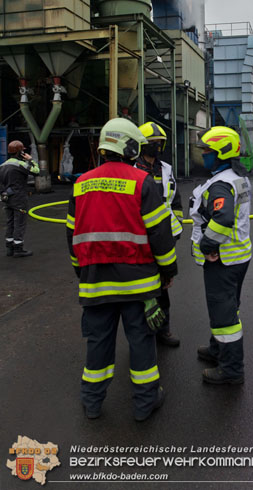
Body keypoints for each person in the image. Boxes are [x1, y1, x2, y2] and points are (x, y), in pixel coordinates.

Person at [66, 118, 177, 420]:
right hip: (138, 284)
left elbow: (72, 235)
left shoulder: (81, 183)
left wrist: (81, 271)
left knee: (98, 344)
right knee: (141, 342)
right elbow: (160, 234)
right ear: (130, 147)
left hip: (95, 283)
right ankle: (145, 404)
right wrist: (168, 271)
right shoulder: (143, 183)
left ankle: (91, 402)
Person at [190, 126, 251, 385]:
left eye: (207, 151)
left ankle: (231, 370)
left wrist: (208, 247)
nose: (203, 155)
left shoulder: (221, 184)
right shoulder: (236, 176)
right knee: (226, 307)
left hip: (222, 259)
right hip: (237, 257)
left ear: (221, 152)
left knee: (224, 315)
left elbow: (223, 218)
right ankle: (217, 350)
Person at [136, 121, 183, 347]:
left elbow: (176, 199)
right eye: (153, 143)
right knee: (142, 287)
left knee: (164, 285)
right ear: (142, 145)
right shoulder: (133, 170)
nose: (157, 147)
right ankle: (142, 332)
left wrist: (177, 222)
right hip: (141, 236)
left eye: (159, 143)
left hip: (164, 235)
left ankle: (163, 330)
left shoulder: (166, 169)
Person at [0, 140, 40, 257]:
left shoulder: (2, 165)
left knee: (10, 222)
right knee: (20, 222)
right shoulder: (20, 165)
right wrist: (30, 160)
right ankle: (18, 248)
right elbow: (36, 171)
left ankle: (9, 247)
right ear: (19, 152)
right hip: (19, 198)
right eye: (22, 151)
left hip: (6, 198)